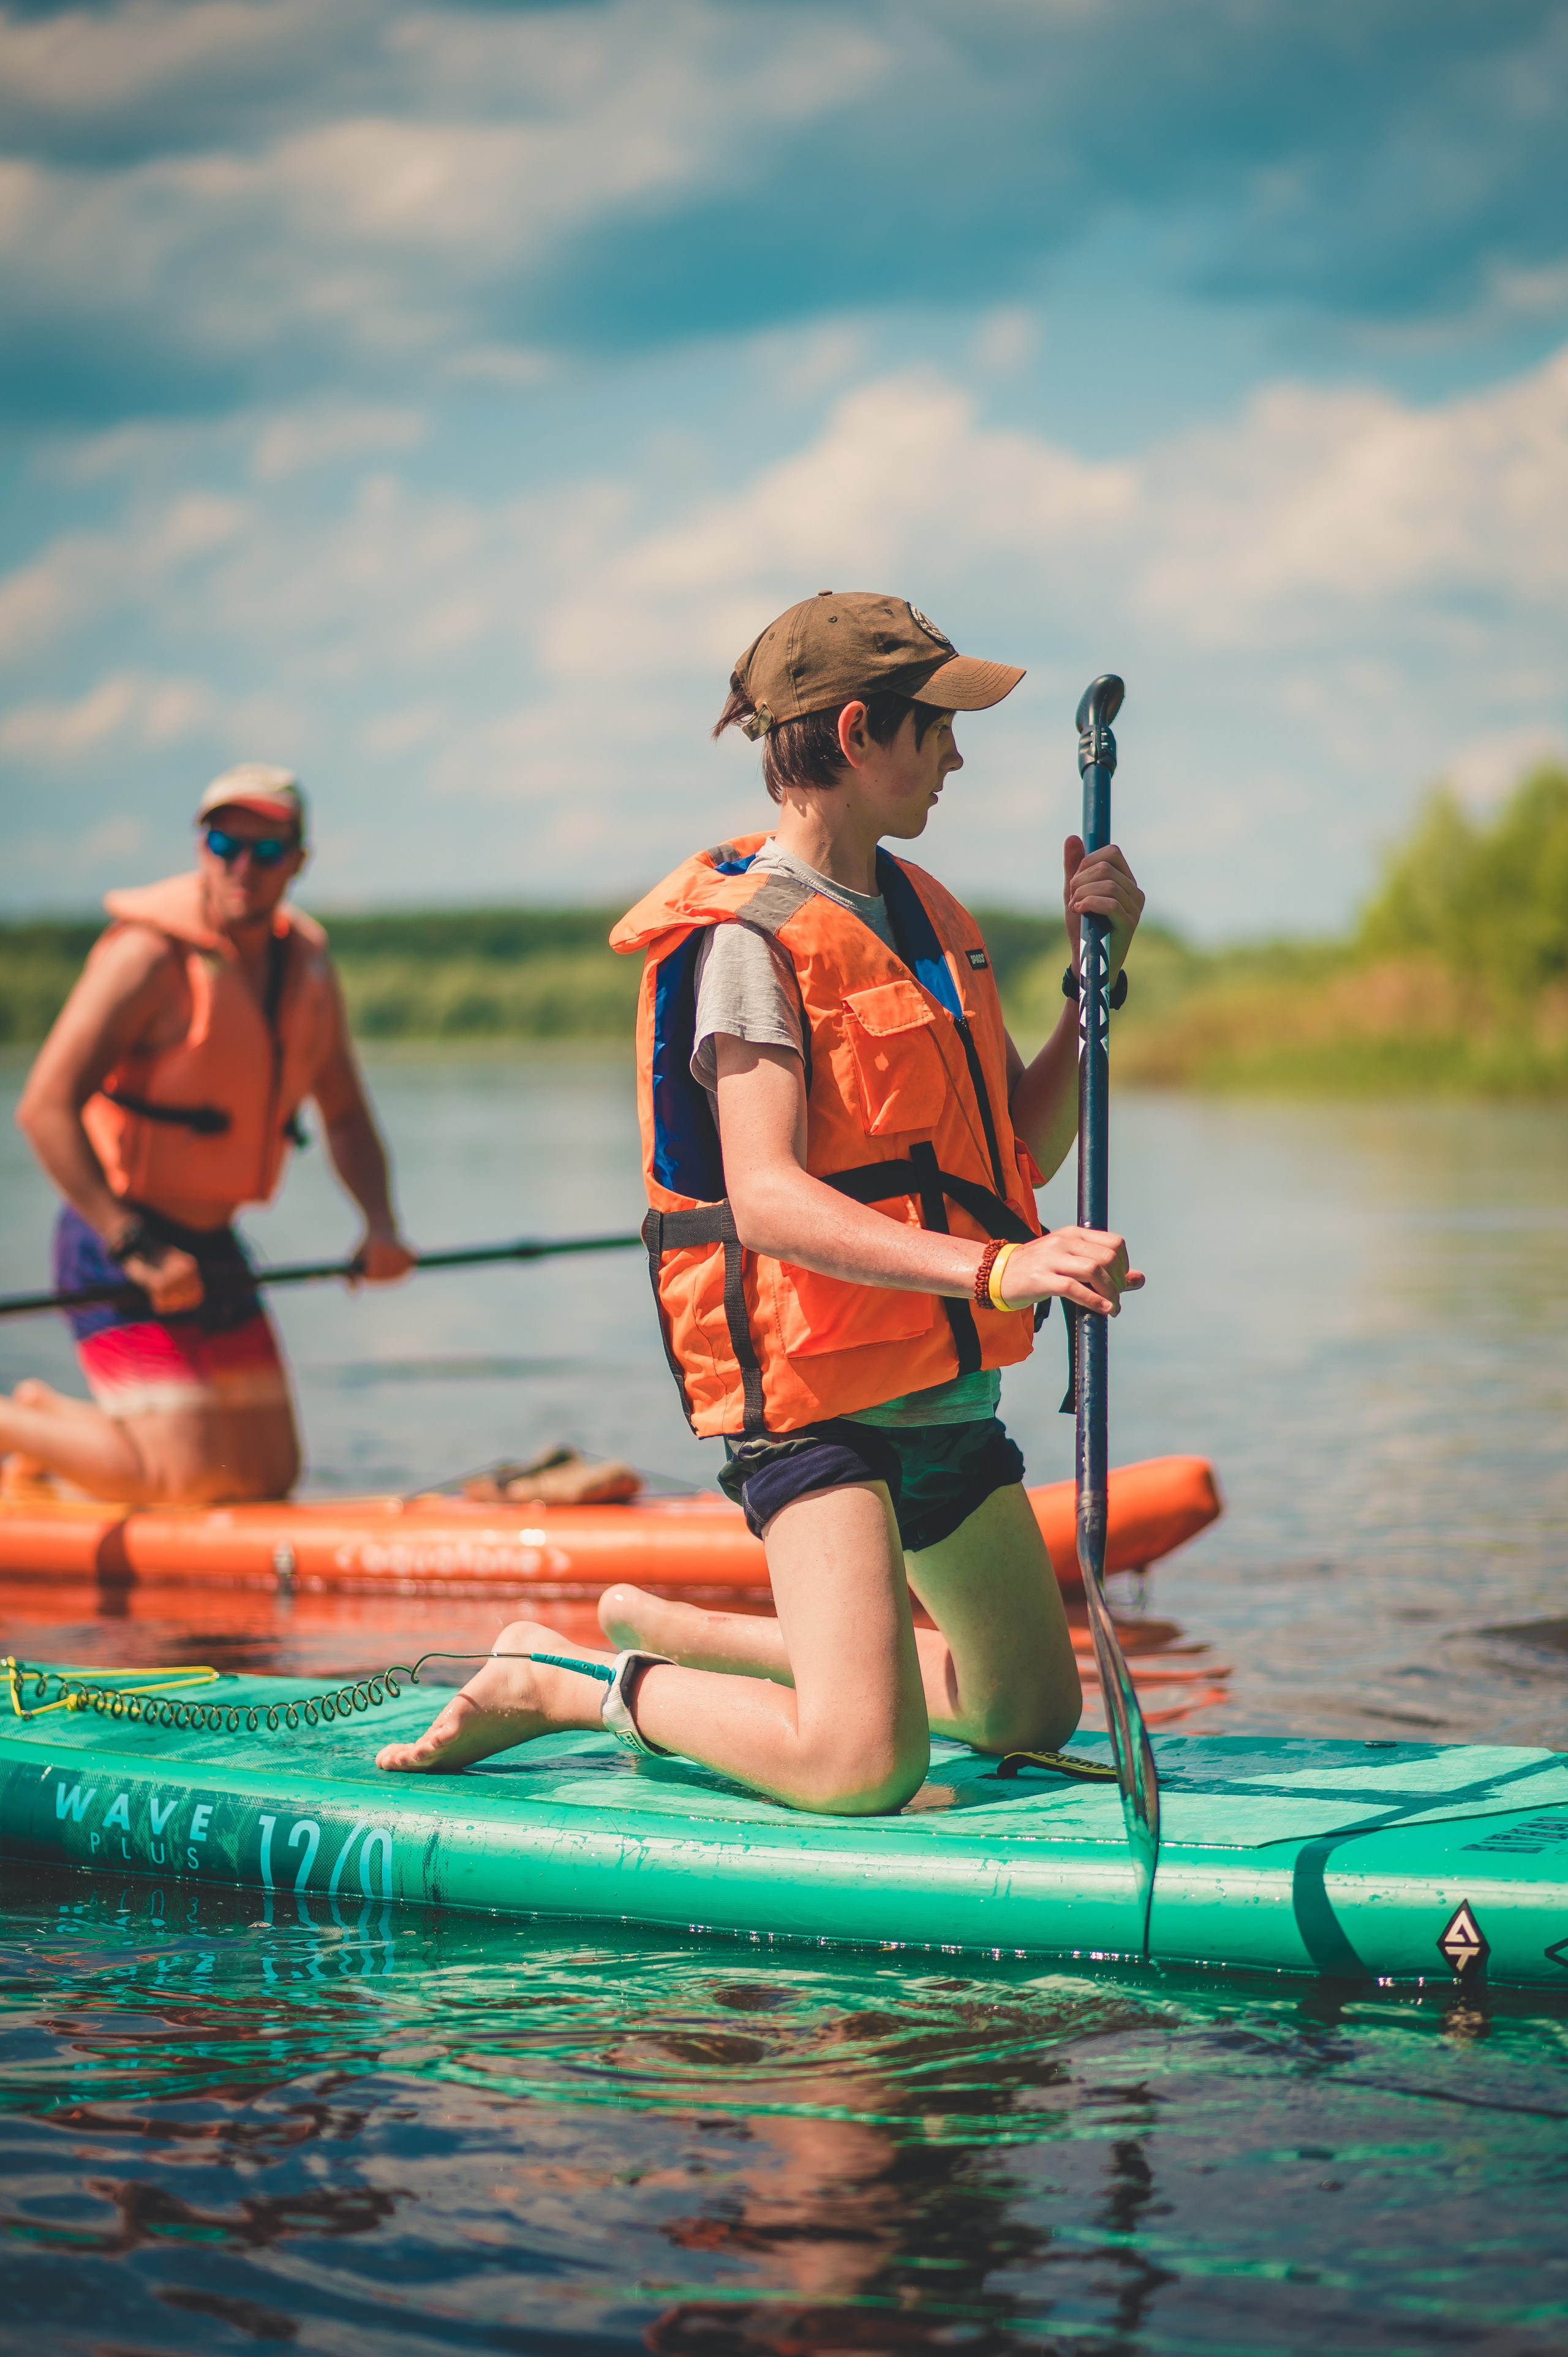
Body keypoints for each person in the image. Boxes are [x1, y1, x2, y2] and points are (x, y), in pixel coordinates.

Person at [379, 592, 1144, 1812]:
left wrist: (1093, 986)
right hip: (819, 1403)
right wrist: (1000, 1272)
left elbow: (1023, 1150)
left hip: (939, 1389)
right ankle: (571, 1682)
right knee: (863, 1769)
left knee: (1028, 1712)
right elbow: (770, 1200)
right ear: (855, 734)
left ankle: (711, 1639)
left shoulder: (931, 917)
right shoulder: (750, 943)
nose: (954, 754)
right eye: (933, 728)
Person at [3, 763, 415, 1505]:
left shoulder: (308, 967)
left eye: (267, 850)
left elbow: (346, 1115)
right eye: (226, 843)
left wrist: (380, 1225)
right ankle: (16, 1423)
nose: (243, 867)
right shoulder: (146, 958)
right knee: (186, 1480)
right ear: (201, 847)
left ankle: (56, 1421)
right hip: (116, 1243)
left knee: (265, 1477)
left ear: (298, 860)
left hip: (214, 1244)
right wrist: (133, 1242)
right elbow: (44, 1106)